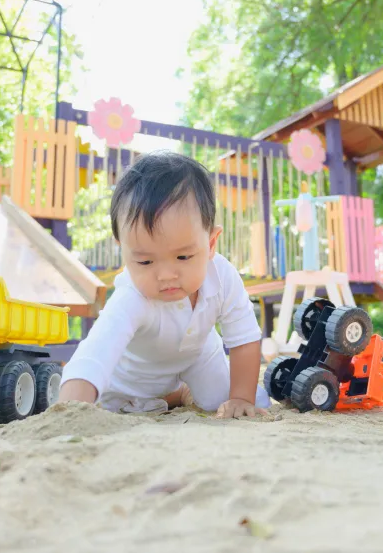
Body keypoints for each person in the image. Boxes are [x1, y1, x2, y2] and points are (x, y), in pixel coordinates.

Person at [58, 150, 270, 418]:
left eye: (183, 257)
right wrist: (68, 411)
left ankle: (184, 391)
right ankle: (175, 394)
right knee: (124, 407)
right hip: (133, 381)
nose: (166, 275)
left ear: (211, 243)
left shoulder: (223, 277)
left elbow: (244, 338)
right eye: (145, 262)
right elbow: (95, 353)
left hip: (199, 354)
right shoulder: (132, 296)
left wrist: (241, 397)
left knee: (229, 400)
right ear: (124, 252)